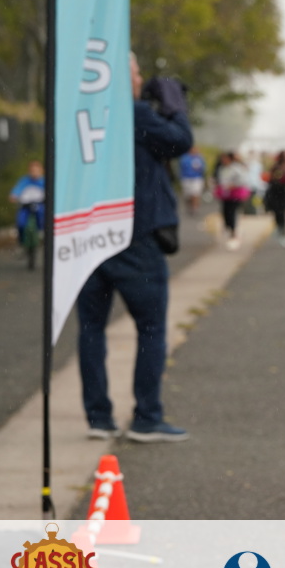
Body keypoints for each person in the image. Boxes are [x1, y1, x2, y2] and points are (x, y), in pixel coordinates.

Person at [77, 54, 193, 442]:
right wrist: (174, 103)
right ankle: (146, 416)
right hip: (134, 236)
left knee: (91, 328)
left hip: (88, 235)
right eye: (137, 73)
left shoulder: (82, 115)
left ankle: (98, 416)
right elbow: (180, 141)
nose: (142, 79)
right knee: (150, 327)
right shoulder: (134, 114)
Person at [214, 151, 250, 250]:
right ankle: (229, 228)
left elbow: (242, 180)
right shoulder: (222, 168)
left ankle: (233, 230)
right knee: (225, 211)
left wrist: (233, 185)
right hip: (226, 194)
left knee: (232, 211)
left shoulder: (236, 168)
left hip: (235, 194)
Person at [8, 160, 46, 251]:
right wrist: (14, 196)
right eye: (32, 171)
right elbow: (17, 190)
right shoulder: (24, 181)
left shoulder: (43, 181)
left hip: (39, 205)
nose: (34, 173)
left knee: (42, 217)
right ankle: (21, 240)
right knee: (21, 223)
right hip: (25, 206)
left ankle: (42, 232)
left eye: (36, 171)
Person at [264, 150, 285, 246]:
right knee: (278, 213)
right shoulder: (277, 168)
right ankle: (280, 232)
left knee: (284, 213)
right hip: (276, 194)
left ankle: (282, 232)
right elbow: (274, 180)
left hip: (284, 195)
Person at [178, 145, 206, 216]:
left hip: (197, 178)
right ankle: (189, 207)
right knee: (187, 195)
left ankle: (195, 208)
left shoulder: (200, 158)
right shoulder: (184, 158)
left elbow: (203, 168)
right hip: (186, 178)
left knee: (195, 193)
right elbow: (181, 168)